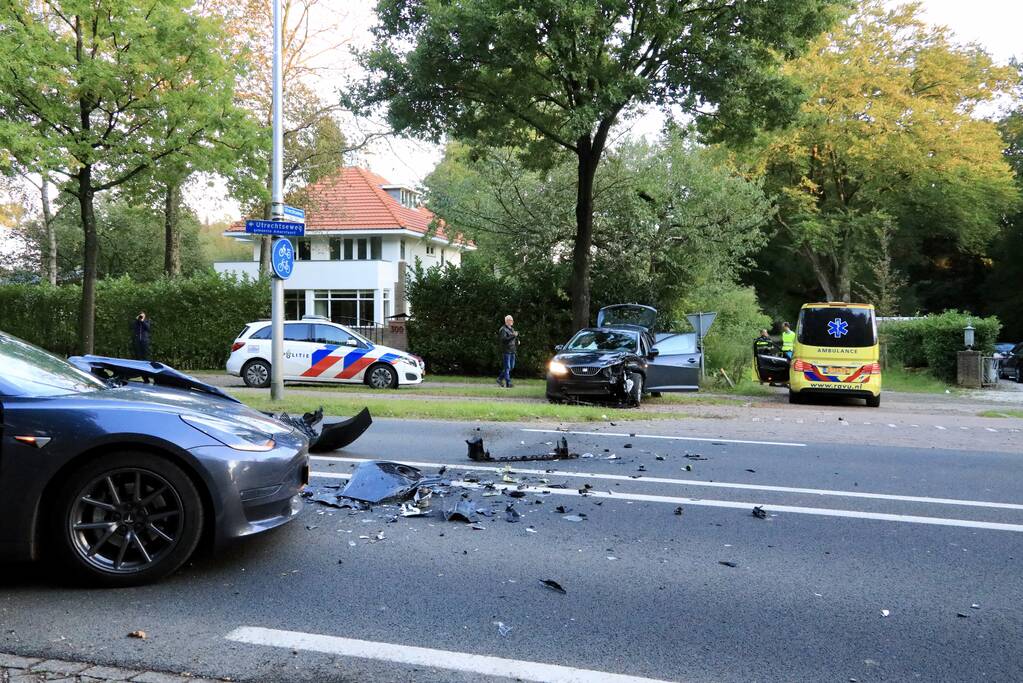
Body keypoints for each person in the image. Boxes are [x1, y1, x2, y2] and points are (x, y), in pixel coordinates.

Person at [497, 314, 519, 388]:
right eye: (511, 320)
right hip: (506, 350)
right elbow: (504, 340)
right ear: (507, 321)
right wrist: (513, 335)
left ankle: (499, 379)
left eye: (512, 320)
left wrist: (517, 341)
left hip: (512, 350)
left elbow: (514, 338)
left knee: (511, 367)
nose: (512, 321)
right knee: (507, 367)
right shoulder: (503, 329)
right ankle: (508, 383)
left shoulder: (511, 329)